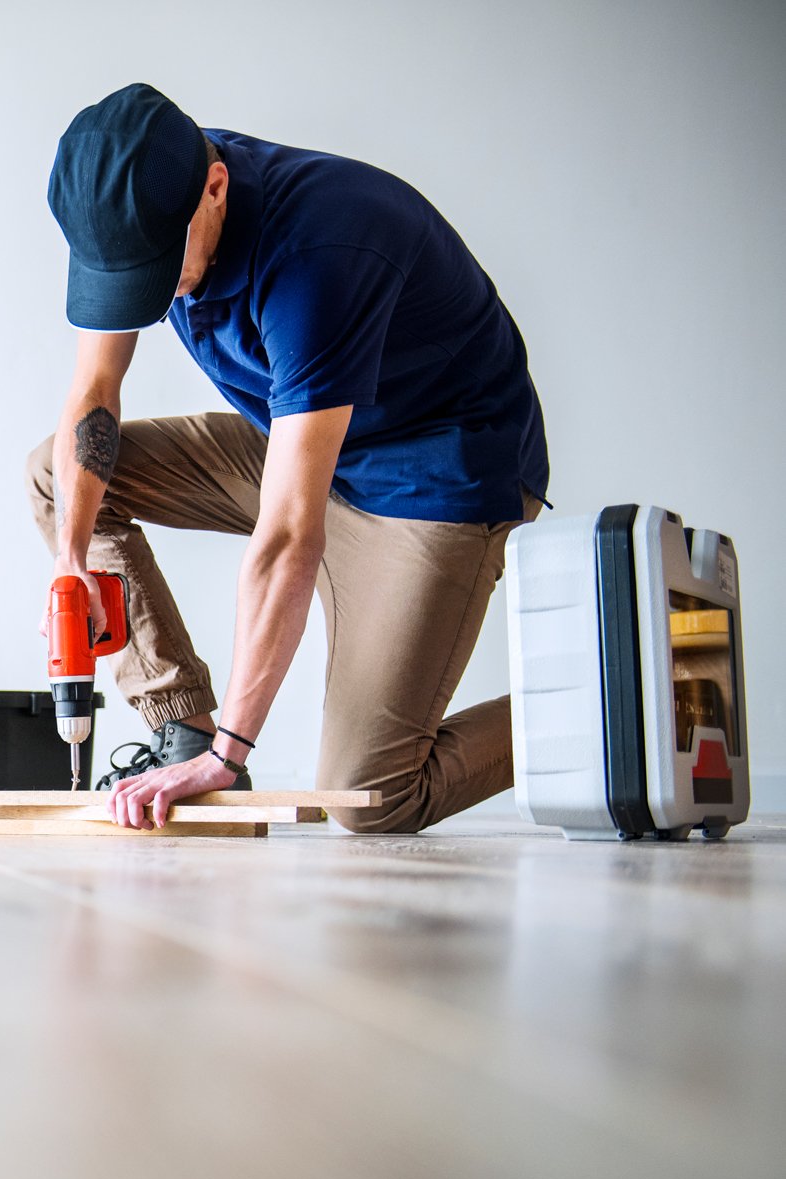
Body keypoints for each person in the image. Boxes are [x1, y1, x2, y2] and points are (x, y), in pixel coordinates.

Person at [29, 84, 549, 834]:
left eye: (156, 274)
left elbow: (287, 537)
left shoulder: (320, 254)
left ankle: (606, 690)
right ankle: (185, 728)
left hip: (433, 478)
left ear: (216, 190)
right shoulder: (144, 193)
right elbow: (94, 393)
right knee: (59, 474)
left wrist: (232, 759)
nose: (150, 297)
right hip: (304, 438)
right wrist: (72, 561)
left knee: (371, 795)